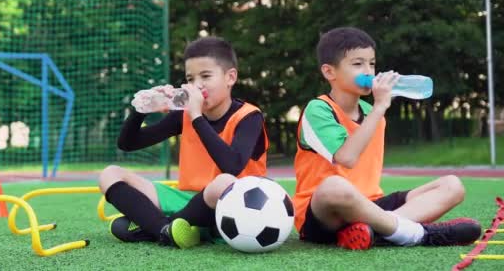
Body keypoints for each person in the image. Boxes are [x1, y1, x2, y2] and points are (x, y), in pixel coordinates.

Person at [293, 27, 481, 250]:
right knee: (334, 186)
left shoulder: (371, 112)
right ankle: (416, 234)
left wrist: (377, 109)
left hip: (372, 205)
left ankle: (375, 232)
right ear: (329, 72)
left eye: (372, 63)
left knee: (452, 185)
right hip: (325, 212)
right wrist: (380, 106)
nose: (369, 71)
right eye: (358, 64)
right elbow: (347, 157)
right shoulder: (318, 109)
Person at [99, 36, 269, 248]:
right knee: (110, 173)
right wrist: (140, 111)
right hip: (188, 201)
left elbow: (232, 165)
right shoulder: (184, 115)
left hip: (233, 206)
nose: (197, 86)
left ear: (230, 77)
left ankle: (156, 226)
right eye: (190, 79)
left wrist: (197, 115)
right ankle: (166, 230)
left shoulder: (249, 117)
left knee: (223, 182)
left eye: (205, 76)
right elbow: (128, 144)